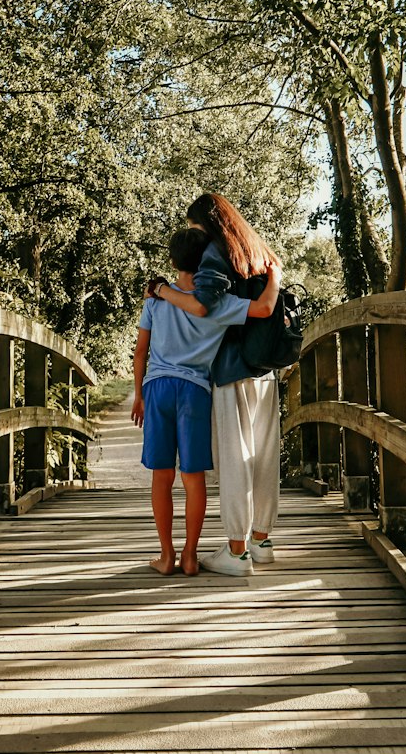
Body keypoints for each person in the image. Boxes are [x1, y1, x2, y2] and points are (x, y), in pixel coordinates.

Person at [131, 227, 281, 576]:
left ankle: (166, 555)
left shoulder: (156, 299)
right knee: (193, 476)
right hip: (195, 390)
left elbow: (141, 352)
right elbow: (264, 308)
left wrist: (138, 394)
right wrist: (274, 273)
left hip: (157, 390)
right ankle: (190, 556)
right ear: (212, 263)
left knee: (161, 475)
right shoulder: (217, 304)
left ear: (173, 261)